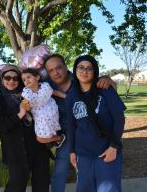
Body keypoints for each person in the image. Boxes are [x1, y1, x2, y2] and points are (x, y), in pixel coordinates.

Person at [43, 54, 116, 192]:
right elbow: (23, 86)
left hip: (87, 133)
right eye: (51, 70)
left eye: (58, 67)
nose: (55, 72)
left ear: (66, 67)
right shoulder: (46, 86)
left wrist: (107, 79)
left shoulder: (80, 78)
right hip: (65, 136)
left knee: (88, 176)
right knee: (60, 172)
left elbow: (99, 85)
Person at [66, 55, 126, 192]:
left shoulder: (105, 89)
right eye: (81, 67)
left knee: (108, 189)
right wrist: (72, 151)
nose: (84, 71)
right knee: (84, 188)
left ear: (95, 71)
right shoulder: (71, 95)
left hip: (106, 151)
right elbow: (71, 125)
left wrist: (113, 147)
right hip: (83, 153)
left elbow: (119, 119)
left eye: (89, 68)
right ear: (75, 69)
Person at [0, 65, 50, 192]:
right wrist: (20, 114)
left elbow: (50, 81)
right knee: (16, 185)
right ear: (1, 78)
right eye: (7, 77)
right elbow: (0, 125)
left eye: (16, 78)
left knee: (42, 184)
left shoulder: (28, 92)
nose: (11, 81)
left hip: (37, 146)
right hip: (15, 150)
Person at [21, 68, 66, 146]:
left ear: (37, 77)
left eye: (28, 77)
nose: (26, 80)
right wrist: (27, 107)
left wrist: (66, 96)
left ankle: (58, 139)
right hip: (40, 118)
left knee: (42, 137)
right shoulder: (26, 93)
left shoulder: (45, 87)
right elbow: (27, 107)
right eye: (24, 80)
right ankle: (59, 138)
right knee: (40, 138)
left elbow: (54, 92)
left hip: (51, 112)